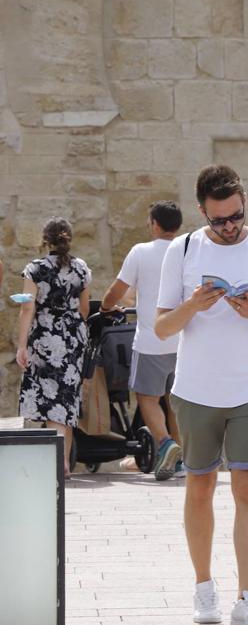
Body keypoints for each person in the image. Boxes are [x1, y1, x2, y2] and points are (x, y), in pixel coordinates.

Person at [155, 164, 248, 625]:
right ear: (202, 212)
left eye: (235, 215)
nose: (230, 226)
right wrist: (193, 304)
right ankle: (203, 586)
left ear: (244, 203)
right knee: (198, 485)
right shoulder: (184, 249)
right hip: (195, 389)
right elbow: (161, 328)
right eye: (219, 220)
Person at [101, 201, 184, 481]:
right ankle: (182, 459)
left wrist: (106, 308)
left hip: (151, 340)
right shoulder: (186, 250)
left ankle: (165, 443)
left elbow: (117, 291)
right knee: (176, 401)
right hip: (183, 340)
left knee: (148, 398)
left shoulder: (141, 252)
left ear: (155, 224)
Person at [16, 217, 91, 478]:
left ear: (45, 240)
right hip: (73, 337)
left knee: (51, 400)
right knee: (66, 398)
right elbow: (84, 309)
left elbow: (27, 307)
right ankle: (64, 463)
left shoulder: (35, 269)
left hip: (46, 337)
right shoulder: (81, 268)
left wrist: (21, 345)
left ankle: (59, 462)